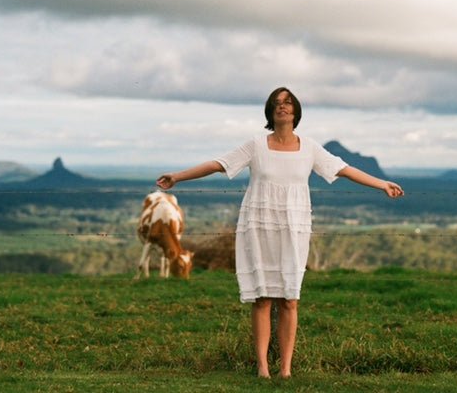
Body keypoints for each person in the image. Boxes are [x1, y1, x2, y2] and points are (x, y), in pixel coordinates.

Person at [156, 86, 404, 379]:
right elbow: (218, 164)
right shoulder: (256, 145)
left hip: (294, 229)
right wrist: (178, 176)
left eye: (287, 102)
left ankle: (285, 369)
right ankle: (263, 368)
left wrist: (382, 184)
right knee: (262, 298)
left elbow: (344, 169)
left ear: (296, 111)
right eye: (276, 103)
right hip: (259, 226)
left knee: (290, 299)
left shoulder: (309, 147)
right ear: (270, 112)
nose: (282, 106)